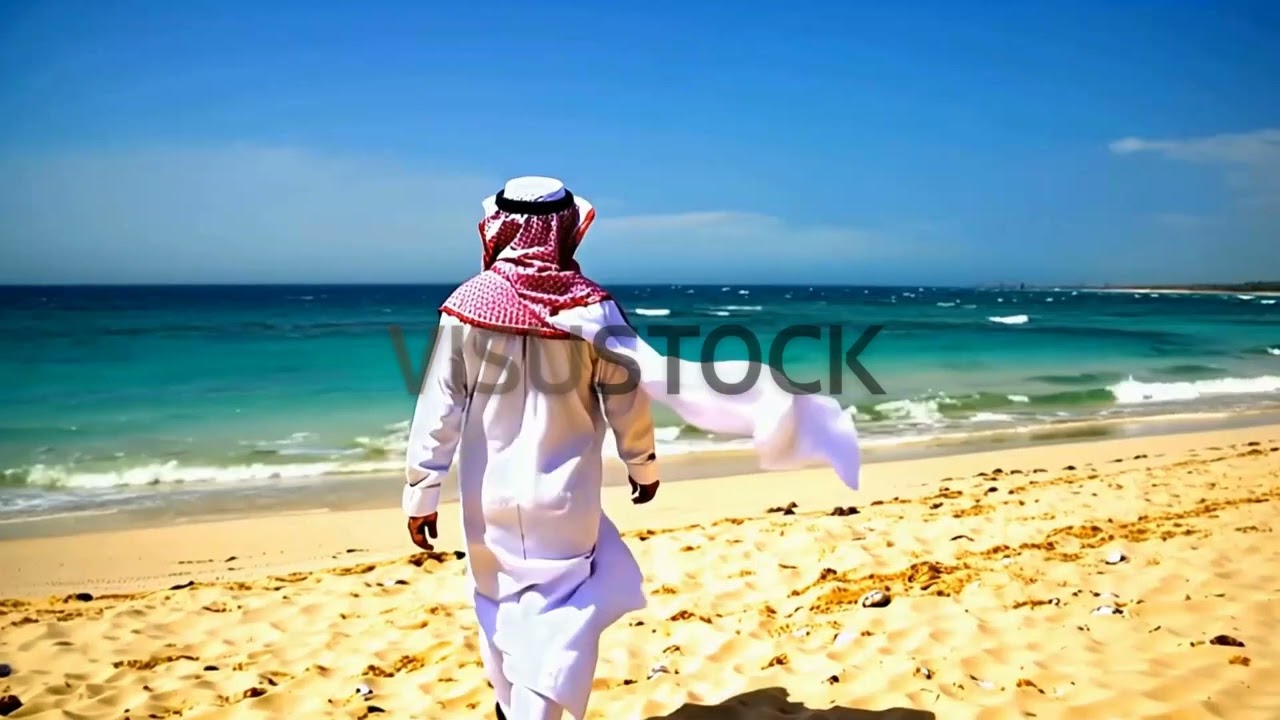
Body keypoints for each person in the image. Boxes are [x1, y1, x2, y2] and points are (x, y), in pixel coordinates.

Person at [403, 177, 861, 720]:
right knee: (562, 617)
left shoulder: (464, 309)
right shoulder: (591, 310)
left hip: (487, 498)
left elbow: (439, 408)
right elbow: (627, 400)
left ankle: (511, 705)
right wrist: (642, 463)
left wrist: (421, 489)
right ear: (565, 229)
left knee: (497, 604)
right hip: (564, 499)